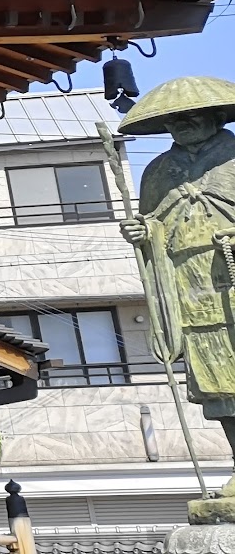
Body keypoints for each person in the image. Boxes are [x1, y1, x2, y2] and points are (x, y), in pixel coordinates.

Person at [119, 77, 235, 483]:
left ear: (217, 115)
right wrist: (142, 232)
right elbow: (154, 223)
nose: (183, 124)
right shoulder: (158, 171)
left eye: (192, 115)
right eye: (174, 120)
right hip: (189, 284)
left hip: (231, 272)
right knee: (218, 379)